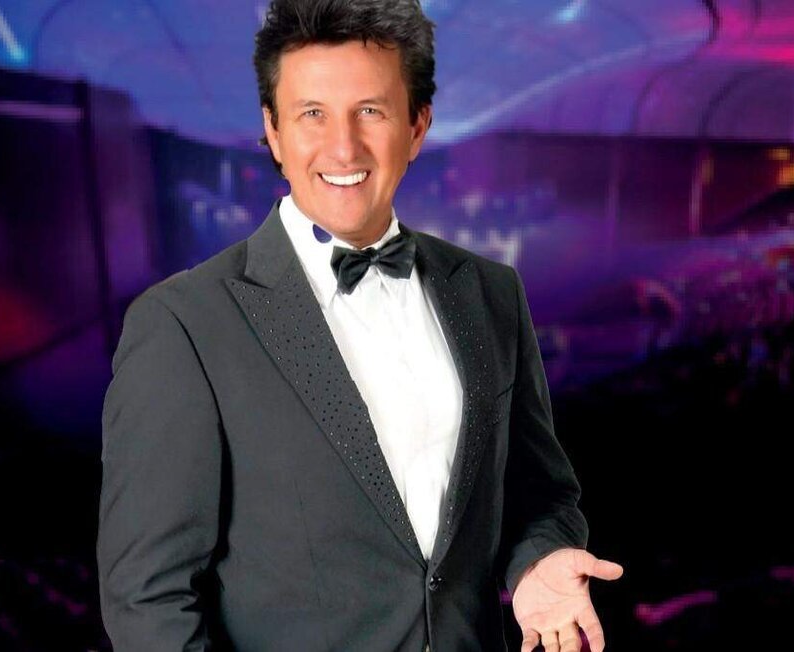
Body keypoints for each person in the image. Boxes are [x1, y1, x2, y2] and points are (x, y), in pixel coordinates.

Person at [96, 1, 623, 650]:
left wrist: (539, 559)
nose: (343, 147)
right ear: (273, 131)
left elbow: (538, 492)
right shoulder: (182, 323)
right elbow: (147, 600)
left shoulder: (491, 292)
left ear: (417, 125)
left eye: (370, 111)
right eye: (312, 114)